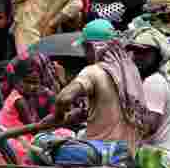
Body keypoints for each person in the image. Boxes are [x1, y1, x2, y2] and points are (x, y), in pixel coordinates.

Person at [47, 19, 152, 153]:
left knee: (43, 142)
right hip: (127, 154)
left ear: (91, 47)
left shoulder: (94, 71)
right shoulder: (131, 73)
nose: (85, 55)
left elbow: (63, 99)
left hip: (98, 152)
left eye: (85, 48)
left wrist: (58, 116)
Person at [125, 26, 170, 168]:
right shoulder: (169, 77)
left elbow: (147, 127)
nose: (137, 57)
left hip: (162, 160)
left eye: (143, 52)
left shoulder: (154, 81)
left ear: (157, 55)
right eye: (135, 51)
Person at [0, 52, 70, 166]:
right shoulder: (19, 100)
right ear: (17, 81)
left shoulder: (28, 96)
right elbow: (33, 128)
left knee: (62, 133)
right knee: (56, 136)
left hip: (20, 136)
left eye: (35, 83)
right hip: (14, 140)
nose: (32, 87)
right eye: (28, 82)